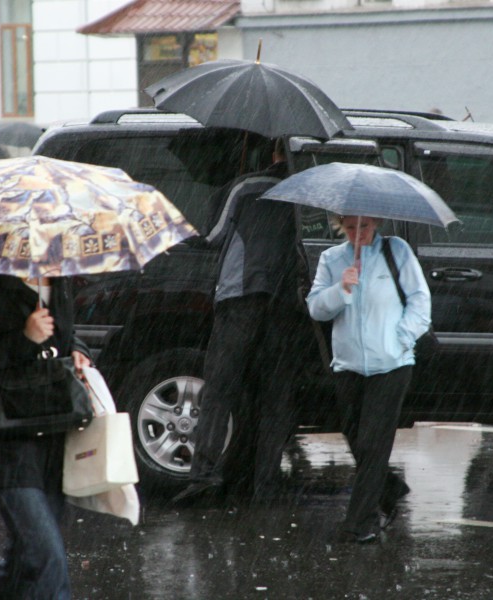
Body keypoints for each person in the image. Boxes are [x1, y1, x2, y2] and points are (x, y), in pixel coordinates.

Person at [173, 139, 310, 504]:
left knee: (220, 390)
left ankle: (204, 475)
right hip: (286, 305)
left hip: (239, 299)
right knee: (276, 396)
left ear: (272, 153)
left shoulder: (243, 186)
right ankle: (266, 483)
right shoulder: (309, 189)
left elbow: (214, 236)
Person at [0, 273, 92, 599]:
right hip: (8, 444)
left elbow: (65, 337)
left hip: (54, 435)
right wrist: (24, 338)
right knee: (46, 557)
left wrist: (80, 350)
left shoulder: (61, 283)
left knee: (23, 559)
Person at [306, 215, 431, 543]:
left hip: (391, 366)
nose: (357, 233)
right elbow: (316, 309)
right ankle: (389, 487)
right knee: (357, 440)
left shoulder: (396, 251)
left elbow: (420, 301)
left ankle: (360, 524)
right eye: (349, 227)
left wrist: (401, 339)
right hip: (347, 367)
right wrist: (340, 288)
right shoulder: (332, 259)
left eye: (363, 226)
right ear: (340, 227)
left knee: (373, 444)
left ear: (374, 223)